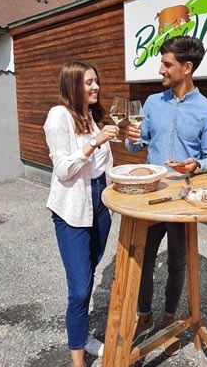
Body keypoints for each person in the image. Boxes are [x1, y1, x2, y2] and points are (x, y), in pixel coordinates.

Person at [124, 36, 207, 356]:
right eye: (162, 63)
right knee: (144, 261)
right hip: (149, 198)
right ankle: (145, 315)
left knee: (177, 264)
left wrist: (198, 164)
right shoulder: (152, 103)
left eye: (167, 64)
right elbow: (137, 145)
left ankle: (168, 319)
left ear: (187, 67)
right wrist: (132, 138)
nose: (161, 69)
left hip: (181, 199)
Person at [43, 61, 120, 366]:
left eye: (97, 82)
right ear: (72, 85)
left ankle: (83, 333)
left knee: (90, 272)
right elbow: (62, 170)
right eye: (89, 83)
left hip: (101, 202)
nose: (96, 87)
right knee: (79, 288)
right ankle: (77, 359)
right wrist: (92, 143)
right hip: (72, 206)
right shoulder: (58, 116)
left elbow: (104, 165)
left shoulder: (95, 115)